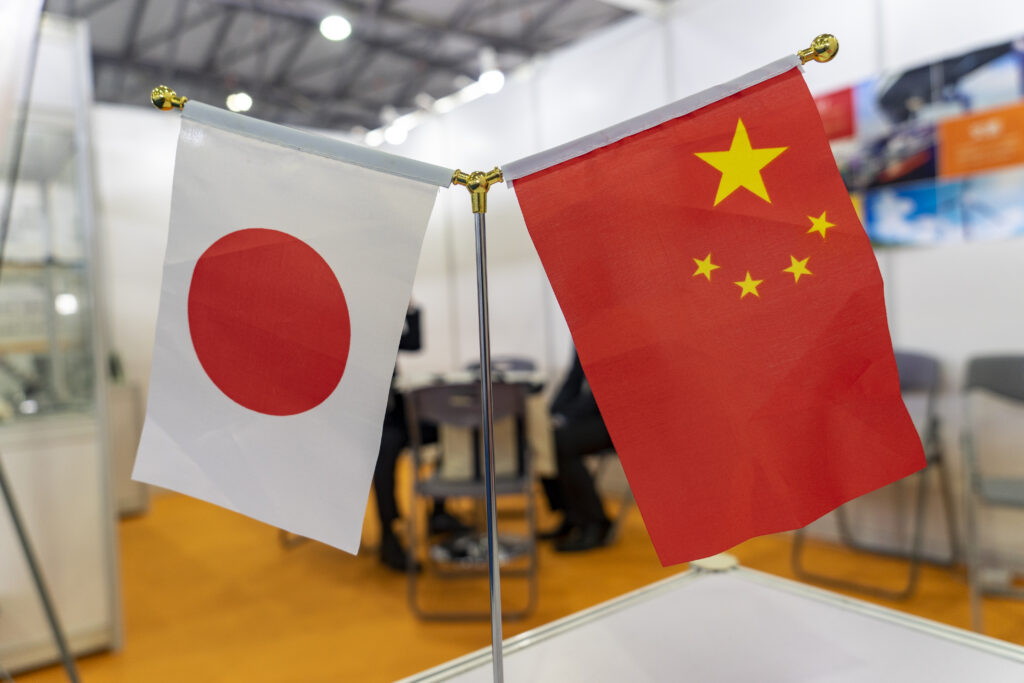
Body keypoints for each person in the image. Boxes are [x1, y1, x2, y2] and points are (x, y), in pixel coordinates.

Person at [374, 305, 462, 571]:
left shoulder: (380, 326)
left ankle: (439, 512)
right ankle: (389, 536)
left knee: (449, 429)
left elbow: (413, 342)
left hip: (397, 414)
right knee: (384, 453)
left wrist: (409, 306)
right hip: (374, 421)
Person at [543, 350, 615, 552]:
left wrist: (567, 417)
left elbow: (606, 388)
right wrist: (553, 412)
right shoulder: (582, 333)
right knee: (544, 436)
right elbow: (574, 377)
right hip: (593, 415)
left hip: (621, 417)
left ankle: (596, 523)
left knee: (562, 443)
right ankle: (572, 516)